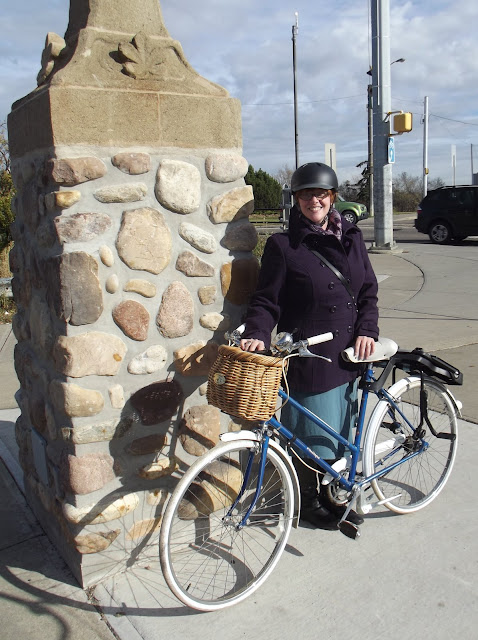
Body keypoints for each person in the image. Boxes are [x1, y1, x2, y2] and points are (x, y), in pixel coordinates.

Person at [240, 162, 379, 529]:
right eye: (305, 194)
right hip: (311, 356)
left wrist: (367, 329)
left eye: (320, 194)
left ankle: (333, 493)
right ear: (296, 200)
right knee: (309, 435)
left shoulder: (352, 237)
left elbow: (367, 290)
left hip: (351, 352)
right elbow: (266, 299)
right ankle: (310, 501)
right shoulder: (284, 245)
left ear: (332, 197)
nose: (313, 200)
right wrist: (257, 332)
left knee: (341, 432)